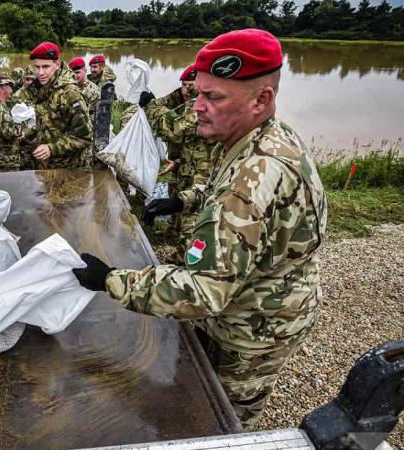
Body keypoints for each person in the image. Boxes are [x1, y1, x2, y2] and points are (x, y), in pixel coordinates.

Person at [73, 29, 327, 429]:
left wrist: (112, 280)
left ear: (262, 100)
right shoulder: (267, 138)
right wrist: (184, 200)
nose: (197, 107)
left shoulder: (247, 186)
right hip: (264, 299)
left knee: (220, 420)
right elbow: (223, 191)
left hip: (253, 327)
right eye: (198, 94)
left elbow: (205, 292)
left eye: (213, 98)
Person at [142, 64, 218, 260]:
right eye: (183, 85)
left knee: (191, 217)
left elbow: (173, 130)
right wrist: (176, 95)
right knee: (175, 200)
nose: (186, 90)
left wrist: (151, 106)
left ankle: (185, 259)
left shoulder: (201, 107)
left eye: (191, 85)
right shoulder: (188, 101)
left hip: (202, 173)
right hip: (186, 166)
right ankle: (172, 235)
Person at [28, 42, 93, 169]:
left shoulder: (69, 93)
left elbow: (85, 137)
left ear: (57, 65)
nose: (40, 72)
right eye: (37, 67)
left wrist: (51, 149)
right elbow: (47, 122)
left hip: (68, 169)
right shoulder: (43, 88)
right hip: (48, 166)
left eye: (46, 67)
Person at [0, 72, 23, 171]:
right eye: (9, 86)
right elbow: (8, 133)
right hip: (5, 162)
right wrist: (20, 128)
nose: (11, 90)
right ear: (2, 87)